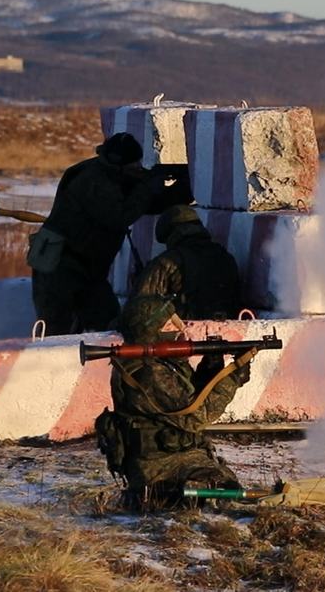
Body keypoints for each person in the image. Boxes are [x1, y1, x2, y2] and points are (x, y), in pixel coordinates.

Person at [95, 205, 248, 510]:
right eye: (169, 323)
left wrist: (211, 369)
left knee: (232, 491)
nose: (178, 328)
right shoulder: (147, 368)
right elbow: (195, 415)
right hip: (159, 467)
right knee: (227, 497)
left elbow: (189, 398)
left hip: (179, 457)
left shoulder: (162, 360)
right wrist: (233, 374)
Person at [28, 132, 191, 335]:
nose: (138, 168)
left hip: (88, 271)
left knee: (110, 328)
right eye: (134, 165)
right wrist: (148, 188)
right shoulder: (93, 179)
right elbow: (119, 216)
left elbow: (147, 205)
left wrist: (184, 188)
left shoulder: (114, 176)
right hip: (60, 268)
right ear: (117, 163)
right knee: (54, 334)